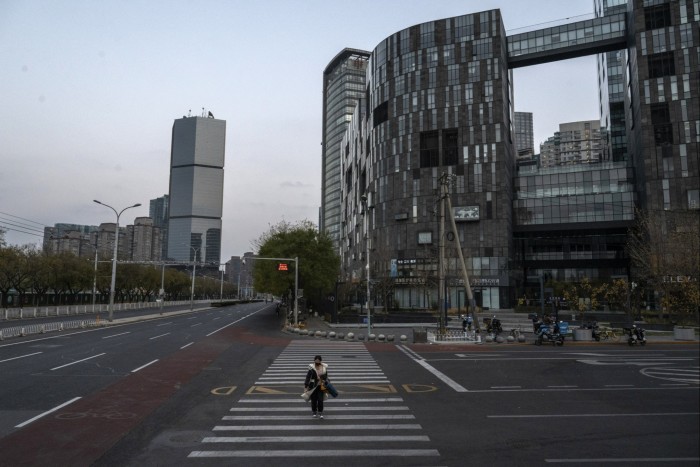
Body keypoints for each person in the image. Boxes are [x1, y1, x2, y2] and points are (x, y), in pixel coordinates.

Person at [304, 355, 328, 419]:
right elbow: (308, 377)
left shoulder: (324, 367)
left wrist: (322, 379)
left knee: (320, 400)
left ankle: (320, 412)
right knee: (313, 400)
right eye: (316, 360)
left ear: (320, 361)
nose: (317, 361)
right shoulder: (311, 368)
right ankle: (314, 412)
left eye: (318, 360)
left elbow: (326, 376)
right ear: (314, 360)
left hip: (321, 386)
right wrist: (306, 386)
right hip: (313, 386)